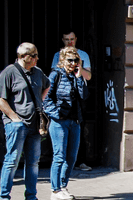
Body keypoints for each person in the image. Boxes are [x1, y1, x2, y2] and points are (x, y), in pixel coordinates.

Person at [0, 43, 50, 200]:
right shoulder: (9, 72)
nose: (37, 58)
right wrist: (14, 118)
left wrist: (39, 103)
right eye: (34, 55)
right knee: (12, 161)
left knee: (33, 162)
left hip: (34, 125)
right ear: (24, 57)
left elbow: (47, 85)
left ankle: (31, 197)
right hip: (17, 125)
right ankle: (4, 197)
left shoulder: (38, 72)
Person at [44, 47, 88, 200]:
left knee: (71, 157)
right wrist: (57, 114)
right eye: (70, 60)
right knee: (59, 156)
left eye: (76, 60)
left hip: (75, 121)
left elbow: (84, 96)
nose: (73, 63)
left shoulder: (75, 76)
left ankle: (63, 186)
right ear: (62, 60)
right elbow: (45, 98)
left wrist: (79, 77)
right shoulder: (55, 75)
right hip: (59, 122)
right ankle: (55, 190)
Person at [52, 31, 92, 171]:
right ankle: (61, 162)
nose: (70, 42)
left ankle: (80, 161)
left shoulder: (83, 55)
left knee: (79, 128)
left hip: (78, 98)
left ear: (76, 39)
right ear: (62, 40)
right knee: (61, 132)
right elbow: (53, 78)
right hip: (62, 99)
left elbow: (88, 77)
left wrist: (80, 70)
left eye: (72, 39)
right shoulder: (57, 56)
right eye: (66, 39)